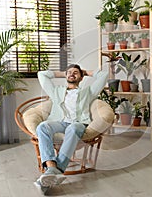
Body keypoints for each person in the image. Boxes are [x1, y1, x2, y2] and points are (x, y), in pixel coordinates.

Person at [34, 64, 108, 194]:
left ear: (81, 77)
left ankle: (55, 171)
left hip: (78, 123)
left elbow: (103, 75)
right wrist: (63, 73)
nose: (71, 74)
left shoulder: (88, 92)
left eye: (75, 73)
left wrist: (86, 72)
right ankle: (52, 168)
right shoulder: (56, 91)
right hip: (60, 122)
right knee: (42, 127)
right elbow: (41, 74)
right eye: (69, 72)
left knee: (73, 128)